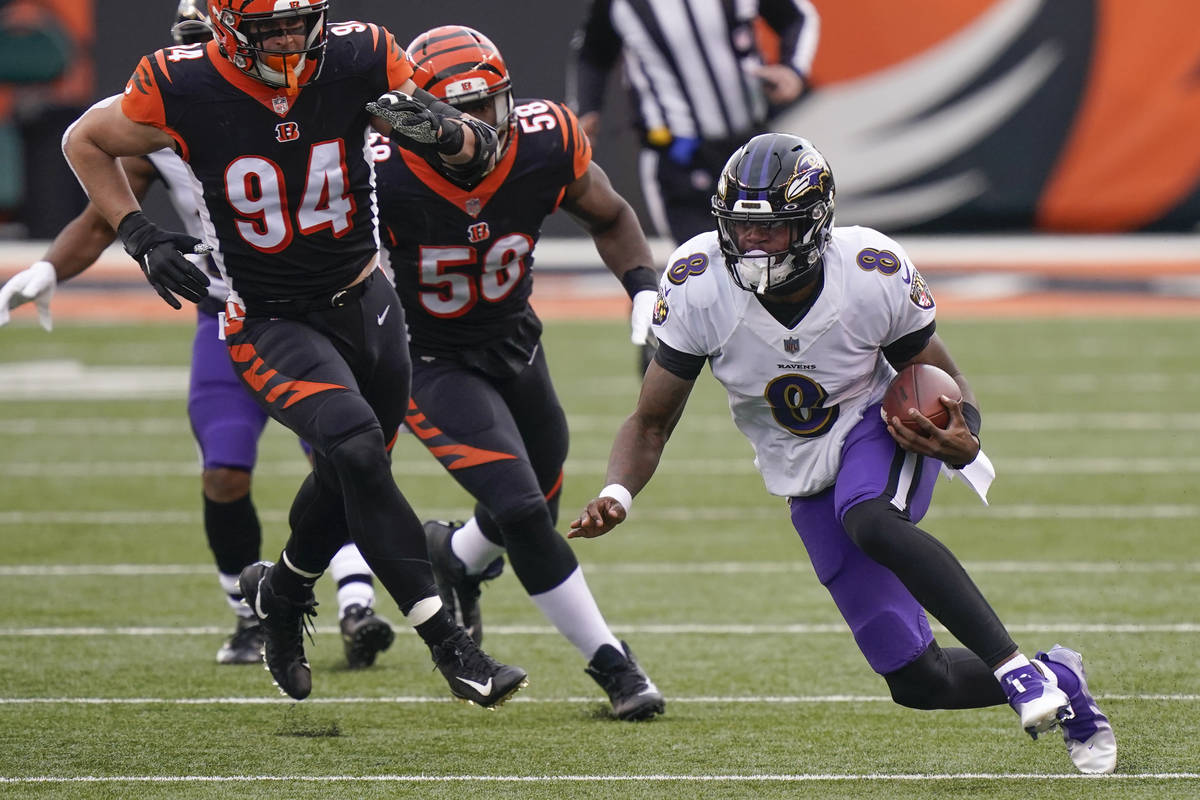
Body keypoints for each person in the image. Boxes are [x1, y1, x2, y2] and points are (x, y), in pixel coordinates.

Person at [568, 133, 1116, 772]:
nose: (752, 243)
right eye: (742, 228)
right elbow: (651, 420)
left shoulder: (868, 272)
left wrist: (965, 431)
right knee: (920, 682)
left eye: (770, 229)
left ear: (812, 223)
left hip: (880, 423)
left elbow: (943, 376)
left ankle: (1015, 667)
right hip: (800, 466)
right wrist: (616, 492)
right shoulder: (698, 284)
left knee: (870, 516)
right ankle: (1063, 679)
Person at [60, 0, 526, 707]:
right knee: (359, 453)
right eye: (267, 26)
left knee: (350, 477)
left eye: (297, 19)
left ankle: (278, 595)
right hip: (267, 317)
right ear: (225, 28)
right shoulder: (180, 81)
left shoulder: (361, 55)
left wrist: (450, 135)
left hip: (367, 301)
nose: (285, 36)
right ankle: (452, 647)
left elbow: (479, 153)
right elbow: (83, 139)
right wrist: (139, 234)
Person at [0, 1, 396, 672]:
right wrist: (47, 268)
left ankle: (356, 598)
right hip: (232, 310)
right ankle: (252, 612)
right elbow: (101, 205)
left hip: (319, 306)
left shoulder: (317, 93)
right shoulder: (171, 109)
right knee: (224, 468)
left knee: (339, 455)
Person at [373, 25, 664, 721]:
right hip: (428, 356)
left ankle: (456, 557)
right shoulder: (378, 169)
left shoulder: (545, 138)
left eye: (489, 108)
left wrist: (646, 291)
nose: (480, 130)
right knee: (524, 510)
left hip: (514, 339)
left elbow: (610, 212)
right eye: (459, 115)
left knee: (539, 493)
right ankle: (613, 665)